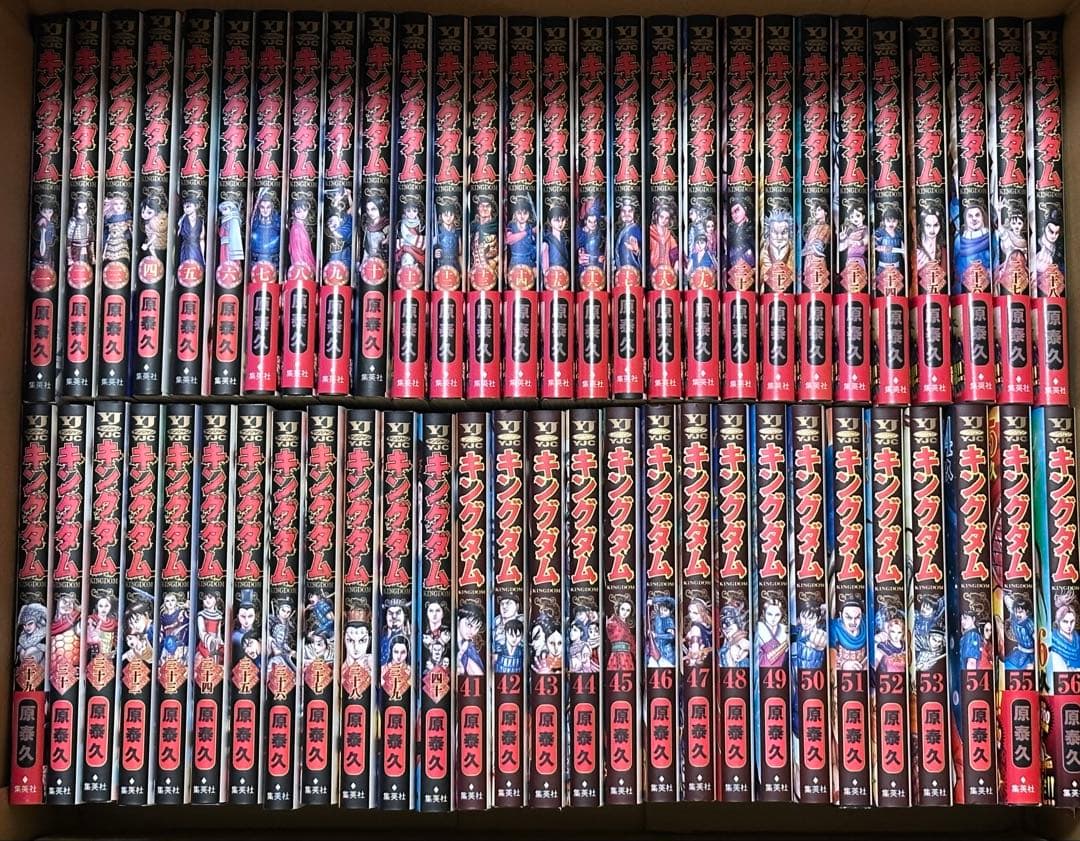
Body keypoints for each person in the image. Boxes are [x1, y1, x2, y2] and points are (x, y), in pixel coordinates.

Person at [953, 201, 992, 293]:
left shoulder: (991, 238)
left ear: (983, 217)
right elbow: (954, 262)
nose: (974, 219)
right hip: (963, 289)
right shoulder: (959, 240)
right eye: (970, 216)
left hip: (986, 287)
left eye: (977, 215)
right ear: (965, 219)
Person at [760, 208, 795, 291]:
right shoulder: (763, 255)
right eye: (775, 232)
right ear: (768, 233)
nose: (779, 237)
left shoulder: (794, 256)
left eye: (784, 232)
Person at [874, 205, 905, 293]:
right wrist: (879, 248)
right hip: (882, 267)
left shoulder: (899, 234)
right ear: (884, 220)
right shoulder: (880, 232)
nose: (891, 224)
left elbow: (903, 249)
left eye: (894, 221)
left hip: (896, 267)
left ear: (898, 221)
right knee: (881, 290)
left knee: (896, 290)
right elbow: (873, 245)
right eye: (888, 221)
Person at [915, 204, 946, 293]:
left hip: (939, 294)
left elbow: (945, 276)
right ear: (922, 226)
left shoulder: (943, 251)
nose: (932, 230)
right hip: (920, 295)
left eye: (935, 225)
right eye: (928, 225)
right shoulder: (916, 250)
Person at [801, 199, 830, 292]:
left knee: (818, 282)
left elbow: (819, 244)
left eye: (819, 210)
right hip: (808, 258)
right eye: (815, 210)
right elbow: (808, 242)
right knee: (809, 282)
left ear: (825, 212)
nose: (816, 212)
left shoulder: (826, 227)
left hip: (817, 258)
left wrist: (809, 248)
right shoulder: (813, 227)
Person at [830, 598, 866, 671]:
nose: (853, 622)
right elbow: (831, 654)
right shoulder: (834, 627)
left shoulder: (865, 625)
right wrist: (844, 664)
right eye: (848, 617)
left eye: (857, 617)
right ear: (841, 615)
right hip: (841, 670)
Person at [1003, 592, 1035, 670]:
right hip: (1018, 652)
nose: (1017, 614)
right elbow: (1008, 602)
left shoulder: (1029, 624)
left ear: (1027, 611)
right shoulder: (1014, 618)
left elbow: (1037, 641)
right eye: (1016, 612)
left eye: (1020, 612)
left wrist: (1034, 663)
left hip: (1029, 656)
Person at [541, 202, 570, 286]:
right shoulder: (547, 240)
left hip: (564, 274)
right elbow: (544, 264)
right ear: (550, 221)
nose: (560, 224)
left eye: (563, 220)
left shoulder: (564, 239)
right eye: (556, 220)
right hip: (552, 276)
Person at [756, 595, 788, 668]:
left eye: (777, 615)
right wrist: (785, 644)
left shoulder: (784, 629)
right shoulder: (759, 627)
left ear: (782, 615)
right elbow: (764, 659)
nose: (773, 618)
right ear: (764, 613)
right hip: (761, 670)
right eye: (769, 614)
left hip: (780, 671)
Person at [250, 193, 282, 267]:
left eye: (268, 207)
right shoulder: (254, 221)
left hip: (273, 257)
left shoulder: (277, 222)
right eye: (262, 207)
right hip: (256, 257)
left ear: (272, 208)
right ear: (259, 208)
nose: (265, 210)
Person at [325, 188, 353, 268]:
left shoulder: (345, 218)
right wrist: (338, 198)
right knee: (334, 264)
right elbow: (334, 206)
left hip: (345, 248)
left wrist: (349, 196)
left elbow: (352, 208)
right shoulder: (333, 220)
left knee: (346, 264)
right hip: (335, 249)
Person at [178, 192, 206, 268]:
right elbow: (176, 236)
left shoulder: (201, 220)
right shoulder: (182, 220)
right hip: (185, 249)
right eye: (184, 207)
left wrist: (203, 256)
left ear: (196, 206)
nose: (185, 209)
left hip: (196, 249)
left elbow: (202, 239)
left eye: (188, 206)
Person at [606, 600, 635, 671]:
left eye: (628, 610)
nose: (625, 612)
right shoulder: (612, 622)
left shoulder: (627, 625)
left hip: (627, 656)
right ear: (618, 609)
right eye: (622, 609)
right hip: (616, 656)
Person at [614, 197, 642, 273]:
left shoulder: (636, 230)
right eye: (623, 211)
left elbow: (644, 254)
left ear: (634, 213)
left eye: (630, 211)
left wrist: (637, 250)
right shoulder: (619, 230)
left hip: (632, 272)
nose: (626, 214)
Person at [648, 595, 676, 667]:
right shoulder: (658, 617)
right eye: (661, 609)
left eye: (665, 610)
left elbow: (671, 636)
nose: (662, 612)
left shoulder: (669, 620)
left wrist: (656, 635)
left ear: (670, 611)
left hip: (666, 653)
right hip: (655, 649)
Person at [457, 603, 485, 676]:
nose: (473, 632)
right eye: (469, 625)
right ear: (458, 619)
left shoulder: (469, 648)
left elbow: (478, 675)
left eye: (477, 627)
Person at [289, 199, 316, 270]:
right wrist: (300, 266)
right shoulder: (296, 229)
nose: (302, 214)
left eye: (304, 210)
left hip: (306, 259)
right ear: (293, 212)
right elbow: (296, 251)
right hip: (302, 263)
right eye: (298, 212)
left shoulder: (301, 226)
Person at [217, 199, 245, 265]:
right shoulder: (224, 220)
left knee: (229, 261)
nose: (223, 212)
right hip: (224, 244)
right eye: (222, 210)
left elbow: (234, 235)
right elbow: (221, 234)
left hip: (230, 245)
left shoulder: (233, 220)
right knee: (224, 260)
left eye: (225, 209)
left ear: (231, 209)